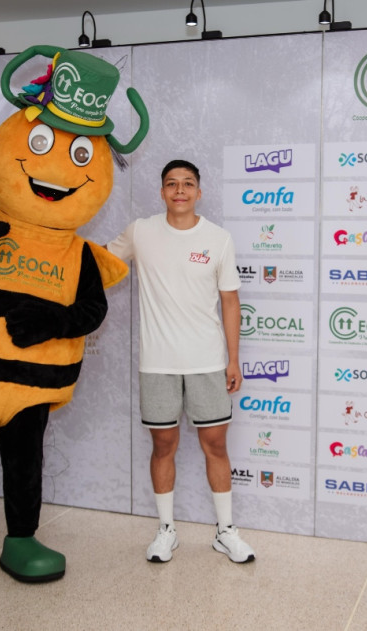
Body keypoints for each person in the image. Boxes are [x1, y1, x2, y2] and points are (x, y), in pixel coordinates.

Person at [107, 159, 255, 563]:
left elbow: (230, 301)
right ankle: (166, 531)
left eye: (188, 183)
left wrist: (233, 360)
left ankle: (225, 532)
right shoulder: (141, 231)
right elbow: (102, 265)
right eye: (171, 183)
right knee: (164, 446)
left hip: (208, 362)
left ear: (199, 192)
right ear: (162, 191)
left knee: (216, 446)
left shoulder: (219, 239)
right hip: (157, 364)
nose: (180, 190)